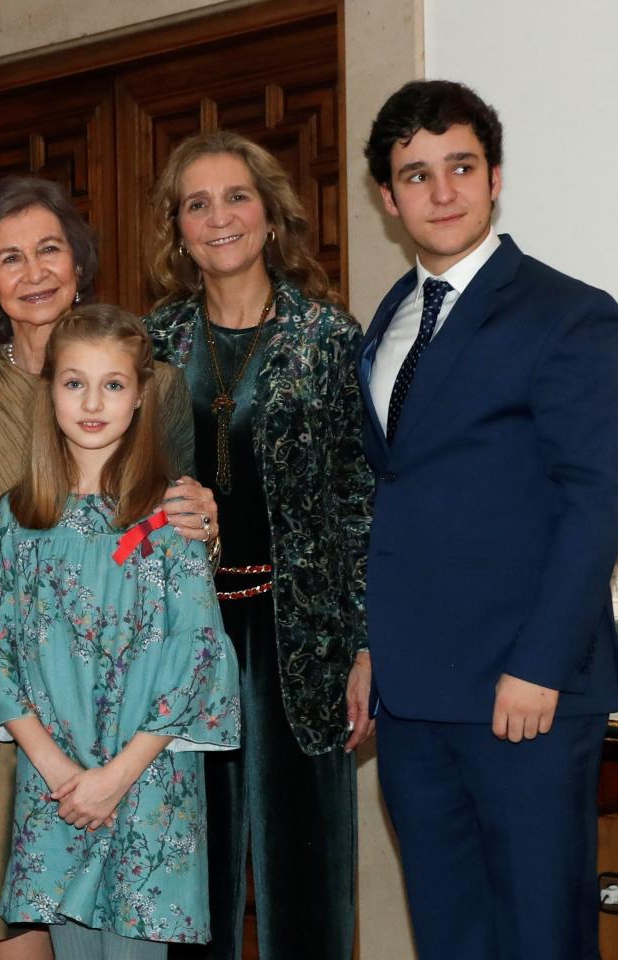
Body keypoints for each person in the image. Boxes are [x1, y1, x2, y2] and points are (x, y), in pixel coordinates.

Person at [0, 175, 217, 959]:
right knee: (11, 929)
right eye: (10, 259)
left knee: (117, 917)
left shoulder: (157, 384)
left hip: (122, 700)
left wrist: (209, 525)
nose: (35, 271)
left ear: (78, 262)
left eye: (49, 250)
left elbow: (171, 529)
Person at [359, 80, 618, 960]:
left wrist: (540, 667)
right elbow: (394, 496)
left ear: (495, 176)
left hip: (525, 697)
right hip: (412, 699)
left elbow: (593, 499)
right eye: (416, 174)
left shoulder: (570, 314)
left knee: (540, 933)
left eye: (461, 167)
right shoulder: (388, 320)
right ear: (388, 196)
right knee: (450, 932)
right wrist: (372, 649)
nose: (442, 192)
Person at [138, 130, 373, 960]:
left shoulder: (329, 339)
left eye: (236, 196)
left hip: (299, 642)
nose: (219, 217)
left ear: (272, 216)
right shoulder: (151, 342)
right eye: (196, 203)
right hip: (178, 641)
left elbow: (360, 502)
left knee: (303, 872)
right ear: (177, 228)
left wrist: (367, 645)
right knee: (186, 878)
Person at [0, 304, 240, 959]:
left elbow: (197, 656)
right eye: (73, 382)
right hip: (54, 788)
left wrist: (116, 777)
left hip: (146, 785)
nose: (93, 402)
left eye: (113, 384)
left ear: (141, 394)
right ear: (49, 388)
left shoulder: (171, 512)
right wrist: (60, 772)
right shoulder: (19, 516)